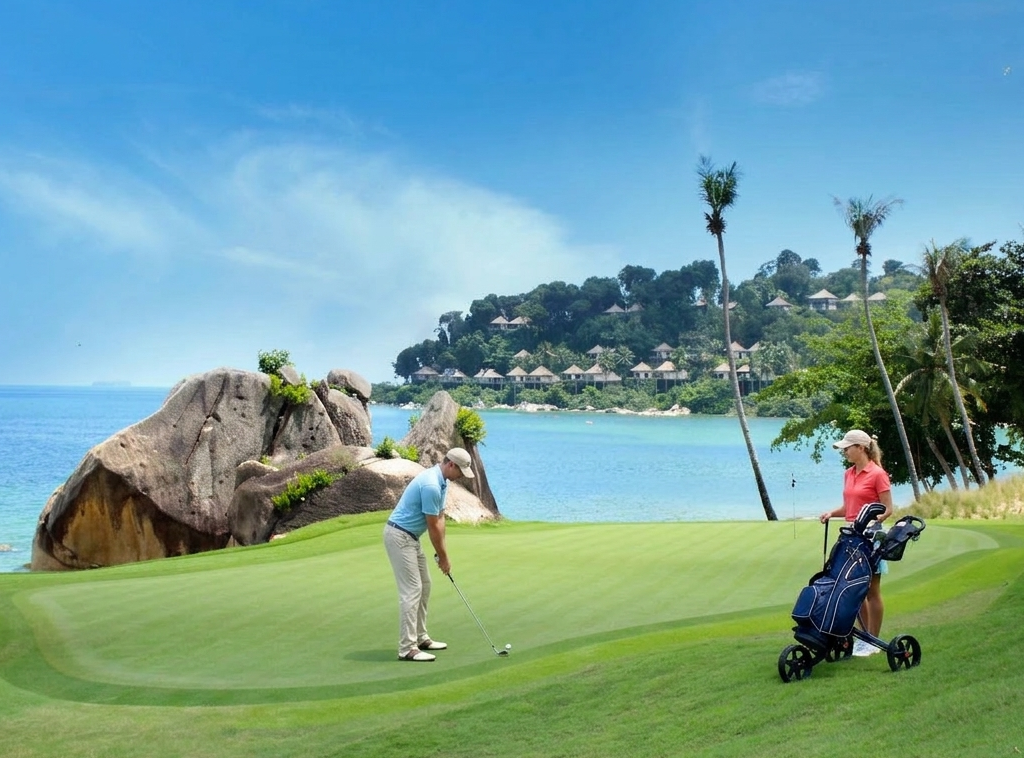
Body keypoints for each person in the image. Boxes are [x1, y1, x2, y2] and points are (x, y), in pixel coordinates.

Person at [383, 447, 474, 662]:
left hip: (411, 538)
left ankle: (421, 638)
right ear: (451, 464)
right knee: (412, 590)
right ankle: (407, 648)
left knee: (425, 585)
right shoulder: (432, 484)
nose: (461, 476)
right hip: (398, 536)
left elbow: (441, 519)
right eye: (460, 471)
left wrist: (443, 553)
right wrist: (442, 557)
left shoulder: (443, 482)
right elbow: (432, 526)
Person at [818, 429, 893, 657]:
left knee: (871, 590)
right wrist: (832, 513)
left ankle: (873, 640)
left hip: (871, 538)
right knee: (854, 589)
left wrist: (871, 521)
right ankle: (864, 638)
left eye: (847, 448)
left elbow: (888, 509)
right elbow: (849, 507)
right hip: (851, 535)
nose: (845, 452)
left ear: (861, 448)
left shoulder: (878, 474)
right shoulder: (849, 473)